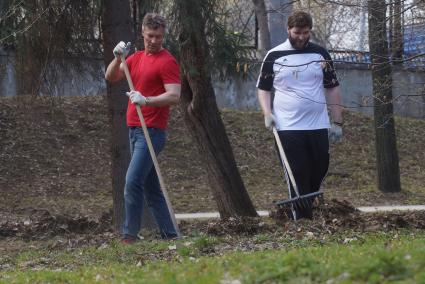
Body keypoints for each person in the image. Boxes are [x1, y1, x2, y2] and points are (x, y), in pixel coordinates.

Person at [256, 11, 343, 220]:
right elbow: (264, 89)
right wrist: (267, 113)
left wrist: (337, 121)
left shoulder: (321, 55)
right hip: (287, 127)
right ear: (289, 30)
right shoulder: (274, 56)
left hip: (318, 124)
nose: (302, 37)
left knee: (319, 169)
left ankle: (307, 208)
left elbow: (332, 88)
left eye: (305, 32)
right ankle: (302, 219)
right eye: (297, 32)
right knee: (297, 172)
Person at [105, 13, 181, 243]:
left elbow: (174, 95)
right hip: (134, 130)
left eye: (159, 36)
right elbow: (110, 77)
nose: (155, 41)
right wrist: (118, 58)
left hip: (152, 131)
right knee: (151, 188)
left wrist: (146, 100)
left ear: (163, 35)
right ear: (143, 33)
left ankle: (130, 234)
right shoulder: (136, 58)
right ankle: (171, 234)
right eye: (150, 36)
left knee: (132, 181)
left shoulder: (167, 61)